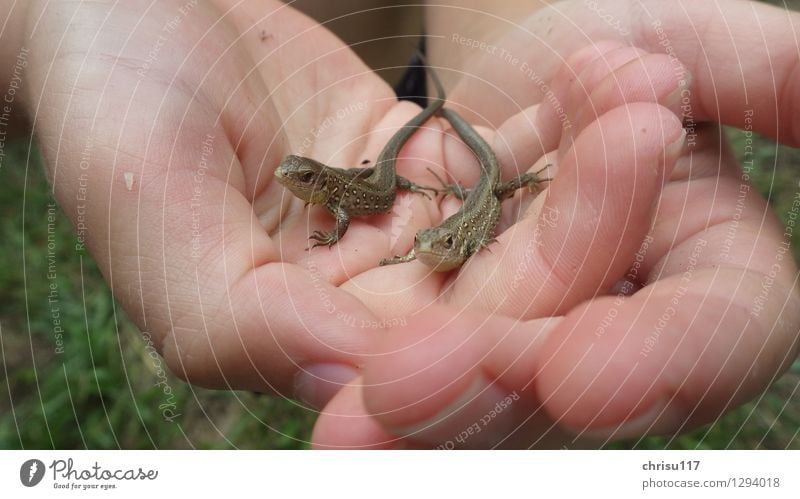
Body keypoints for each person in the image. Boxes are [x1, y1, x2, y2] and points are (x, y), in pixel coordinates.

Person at [3, 0, 797, 448]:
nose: (296, 182)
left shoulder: (352, 195)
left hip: (398, 135)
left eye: (301, 177)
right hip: (351, 104)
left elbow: (360, 212)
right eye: (297, 178)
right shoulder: (337, 191)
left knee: (474, 162)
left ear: (317, 179)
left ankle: (437, 103)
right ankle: (434, 103)